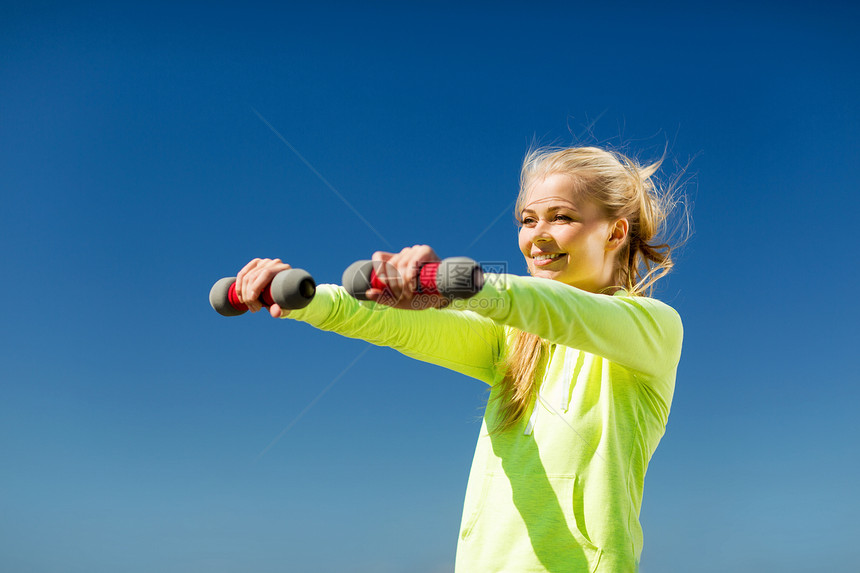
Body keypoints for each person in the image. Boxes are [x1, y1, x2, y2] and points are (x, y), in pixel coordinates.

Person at [235, 146, 685, 572]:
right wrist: (305, 298)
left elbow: (550, 307)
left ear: (615, 231)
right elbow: (396, 324)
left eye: (561, 217)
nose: (537, 236)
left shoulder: (653, 331)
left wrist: (457, 286)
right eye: (528, 220)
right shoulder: (511, 343)